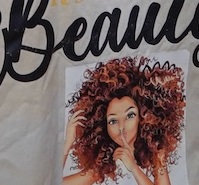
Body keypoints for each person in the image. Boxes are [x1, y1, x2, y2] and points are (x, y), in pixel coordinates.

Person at [61, 55, 184, 185]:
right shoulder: (107, 163)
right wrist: (67, 145)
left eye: (130, 116)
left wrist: (134, 168)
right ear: (103, 127)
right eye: (113, 121)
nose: (121, 126)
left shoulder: (157, 153)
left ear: (144, 117)